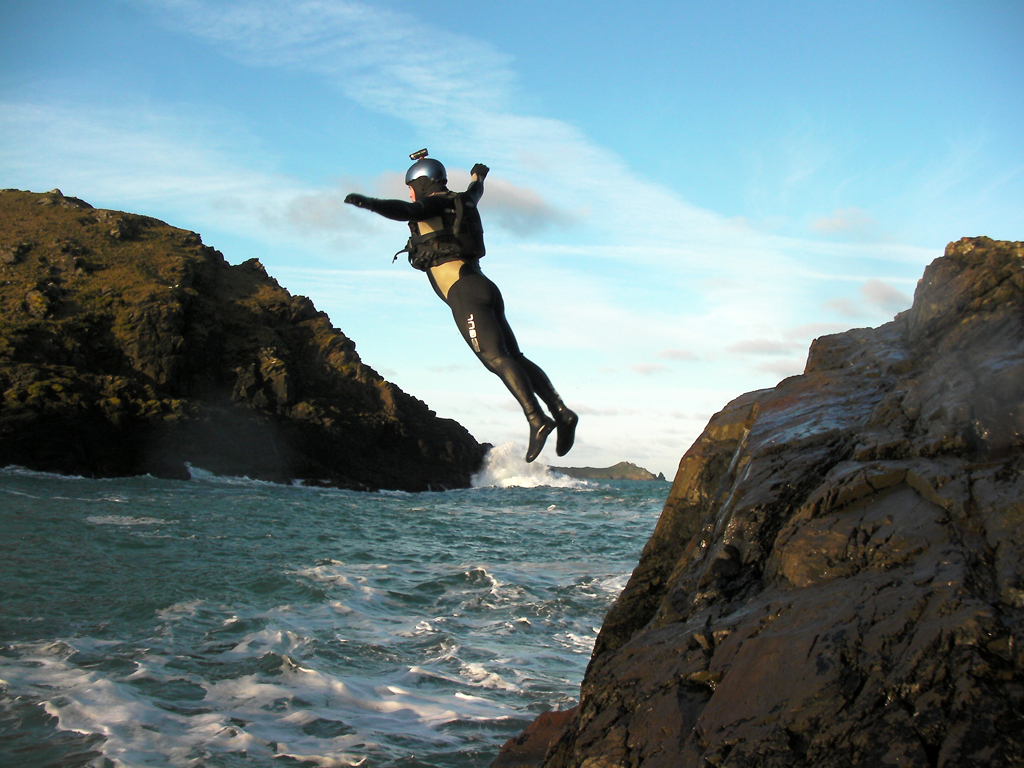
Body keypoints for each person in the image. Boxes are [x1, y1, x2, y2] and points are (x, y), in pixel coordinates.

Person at [344, 150, 577, 463]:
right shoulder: (463, 200)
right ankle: (561, 412)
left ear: (423, 184)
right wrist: (477, 177)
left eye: (411, 186)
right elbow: (476, 190)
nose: (410, 193)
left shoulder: (434, 204)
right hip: (484, 286)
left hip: (464, 293)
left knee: (494, 358)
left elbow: (405, 210)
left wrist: (369, 203)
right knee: (514, 357)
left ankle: (537, 419)